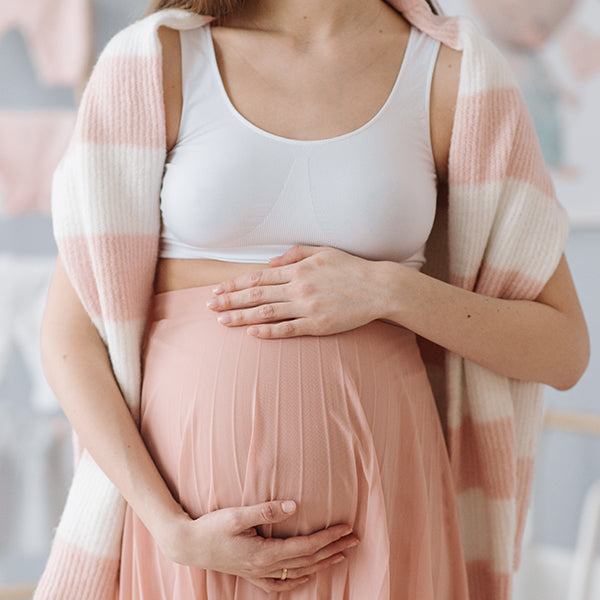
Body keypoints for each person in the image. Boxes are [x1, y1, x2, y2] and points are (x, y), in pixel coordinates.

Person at [35, 0, 589, 599]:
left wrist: (391, 290)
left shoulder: (455, 73)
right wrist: (170, 529)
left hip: (386, 518)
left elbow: (563, 349)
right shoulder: (155, 61)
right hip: (188, 530)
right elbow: (71, 336)